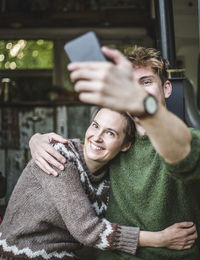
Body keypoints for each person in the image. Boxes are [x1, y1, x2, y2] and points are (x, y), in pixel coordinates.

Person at [29, 45, 200, 260]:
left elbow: (182, 155)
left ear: (166, 88)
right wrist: (36, 139)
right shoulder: (116, 140)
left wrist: (147, 112)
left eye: (146, 82)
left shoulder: (187, 140)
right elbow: (78, 151)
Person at [1, 108, 195, 260]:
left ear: (126, 145)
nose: (97, 137)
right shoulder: (60, 156)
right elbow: (87, 230)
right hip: (20, 253)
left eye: (110, 133)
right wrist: (161, 239)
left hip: (64, 254)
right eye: (95, 125)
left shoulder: (109, 175)